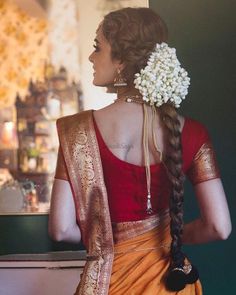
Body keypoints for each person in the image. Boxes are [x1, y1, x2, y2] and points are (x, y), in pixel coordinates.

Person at [48, 7, 231, 295]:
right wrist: (162, 240)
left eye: (98, 48)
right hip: (170, 284)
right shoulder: (193, 132)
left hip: (109, 283)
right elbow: (219, 227)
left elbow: (60, 229)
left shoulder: (77, 131)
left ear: (121, 60)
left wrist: (108, 241)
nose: (91, 57)